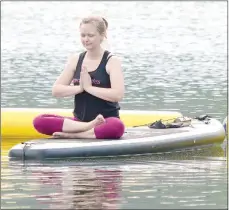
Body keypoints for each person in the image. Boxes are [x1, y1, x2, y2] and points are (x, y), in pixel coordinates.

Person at [33, 16, 125, 139]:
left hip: (106, 121)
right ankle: (87, 129)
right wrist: (80, 88)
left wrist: (89, 87)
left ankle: (75, 134)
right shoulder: (76, 60)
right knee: (39, 121)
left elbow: (117, 95)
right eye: (83, 35)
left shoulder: (112, 61)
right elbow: (56, 90)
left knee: (117, 126)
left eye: (90, 36)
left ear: (102, 35)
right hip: (80, 122)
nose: (86, 39)